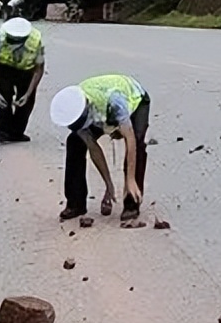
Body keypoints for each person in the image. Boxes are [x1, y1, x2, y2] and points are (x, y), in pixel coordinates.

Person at [50, 74, 151, 222]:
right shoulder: (75, 109)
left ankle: (131, 202)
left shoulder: (115, 103)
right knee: (74, 142)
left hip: (135, 99)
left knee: (138, 143)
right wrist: (108, 185)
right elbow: (94, 148)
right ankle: (75, 203)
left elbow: (130, 140)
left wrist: (130, 179)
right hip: (100, 111)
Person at [0, 17, 45, 143]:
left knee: (26, 102)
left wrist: (28, 94)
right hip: (4, 69)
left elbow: (39, 69)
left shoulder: (35, 40)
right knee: (3, 99)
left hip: (27, 70)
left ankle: (17, 132)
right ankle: (3, 131)